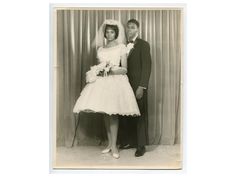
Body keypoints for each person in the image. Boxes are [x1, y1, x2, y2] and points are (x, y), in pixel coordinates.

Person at [73, 19, 140, 159]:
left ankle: (115, 145)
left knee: (113, 114)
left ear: (116, 33)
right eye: (107, 32)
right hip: (102, 83)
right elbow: (100, 66)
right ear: (104, 34)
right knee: (105, 112)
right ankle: (109, 144)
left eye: (112, 32)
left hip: (116, 82)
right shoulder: (101, 49)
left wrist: (109, 71)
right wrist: (99, 70)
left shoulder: (121, 47)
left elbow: (125, 70)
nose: (109, 34)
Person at [119, 19, 152, 157]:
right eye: (128, 28)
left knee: (139, 114)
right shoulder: (123, 46)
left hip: (138, 85)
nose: (129, 30)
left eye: (132, 27)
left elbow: (147, 67)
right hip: (125, 86)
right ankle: (130, 142)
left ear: (137, 29)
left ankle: (141, 146)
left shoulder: (143, 44)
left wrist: (142, 86)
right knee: (127, 114)